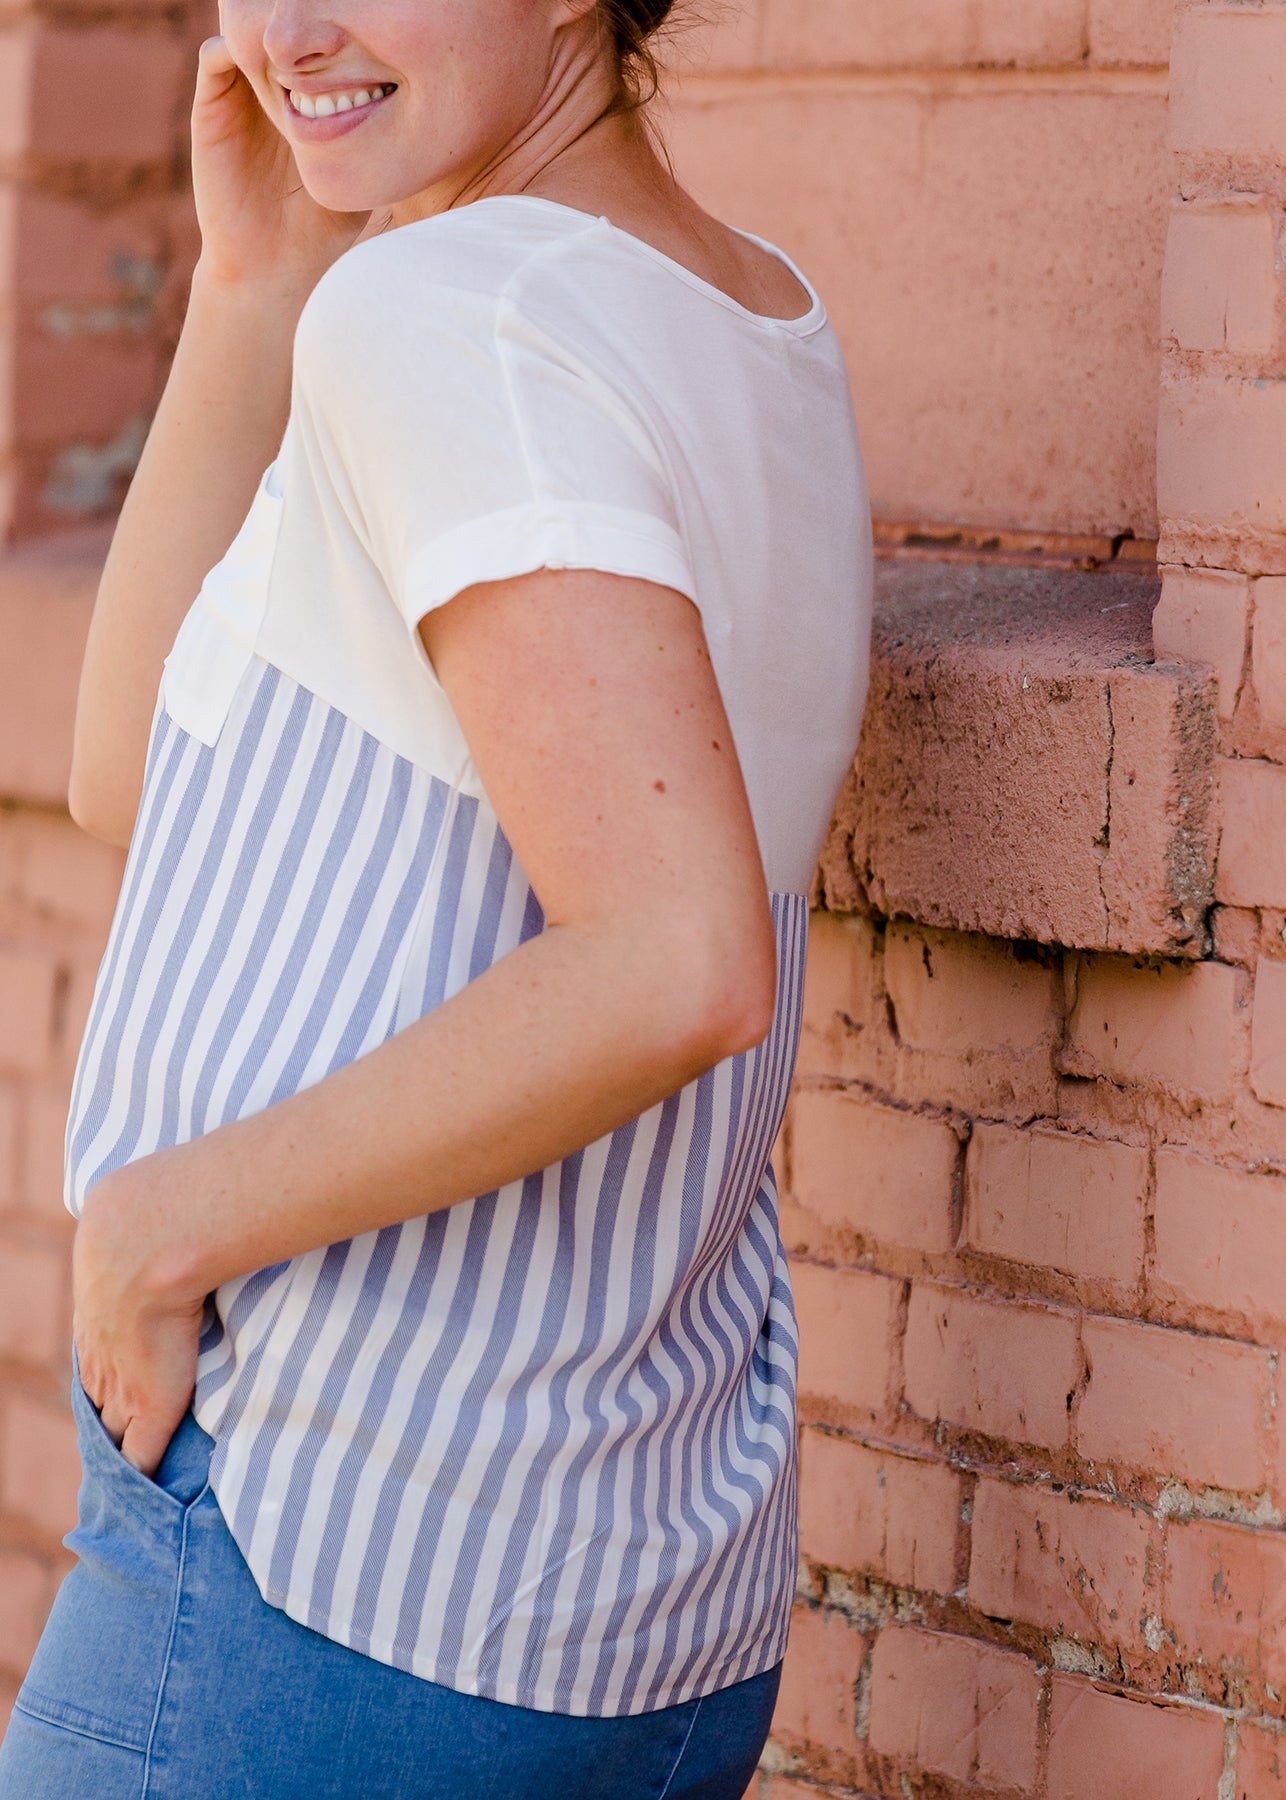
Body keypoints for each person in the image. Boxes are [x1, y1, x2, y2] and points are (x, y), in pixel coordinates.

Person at [0, 0, 873, 1789]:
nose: (289, 29)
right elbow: (133, 782)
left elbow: (675, 958)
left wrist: (163, 1229)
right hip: (611, 1586)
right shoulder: (749, 310)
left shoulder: (456, 315)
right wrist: (251, 286)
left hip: (331, 1546)